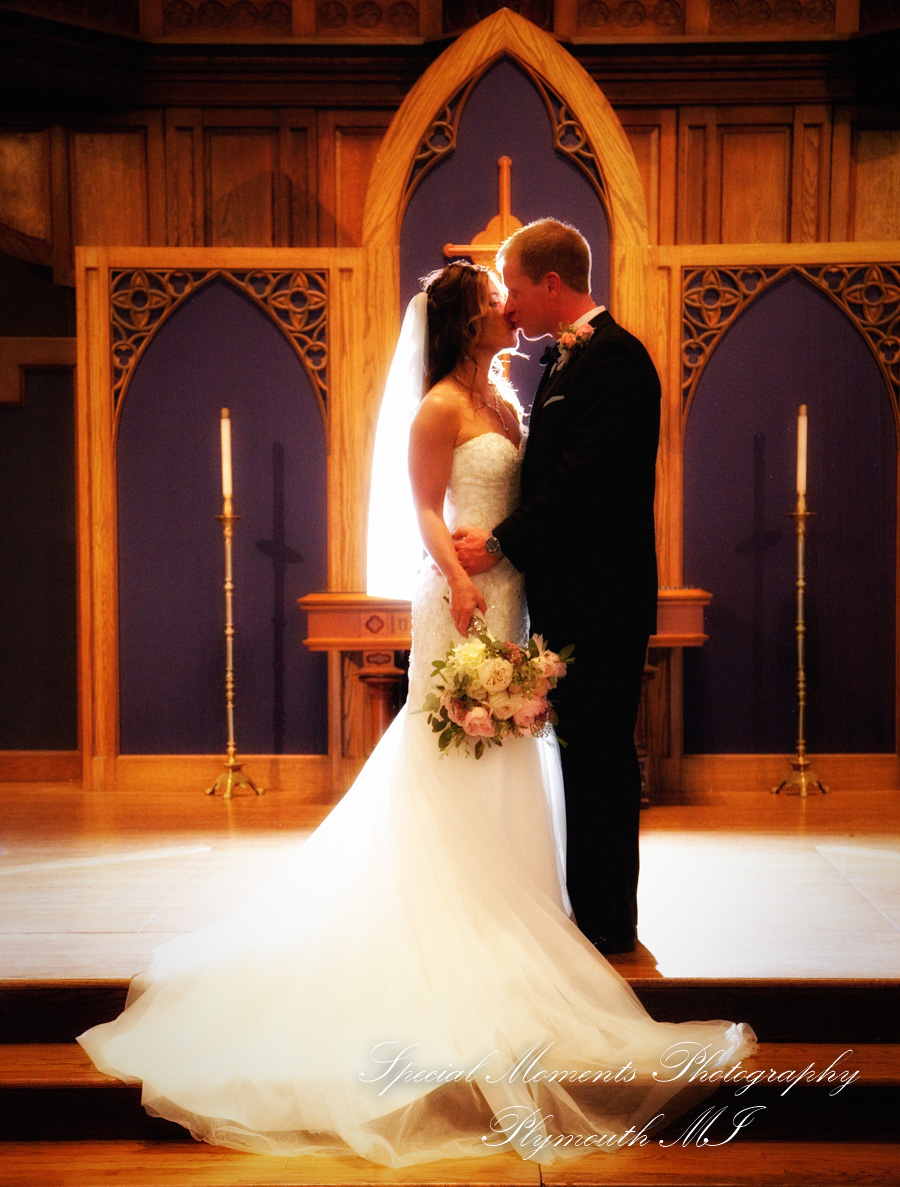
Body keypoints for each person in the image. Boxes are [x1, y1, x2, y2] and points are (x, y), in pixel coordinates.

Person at [77, 261, 753, 1168]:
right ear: (467, 320)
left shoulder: (513, 393)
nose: (506, 307)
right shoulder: (438, 404)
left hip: (517, 593)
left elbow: (549, 486)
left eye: (513, 292)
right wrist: (465, 581)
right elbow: (425, 509)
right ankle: (457, 915)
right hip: (468, 596)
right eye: (493, 300)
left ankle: (517, 908)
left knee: (512, 748)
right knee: (453, 746)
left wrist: (503, 568)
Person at [453, 220, 659, 956]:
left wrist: (503, 541)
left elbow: (586, 480)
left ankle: (611, 922)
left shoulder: (617, 361)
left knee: (602, 755)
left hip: (604, 600)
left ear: (550, 284)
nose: (507, 304)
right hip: (572, 599)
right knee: (582, 753)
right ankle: (590, 912)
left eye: (513, 285)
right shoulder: (566, 362)